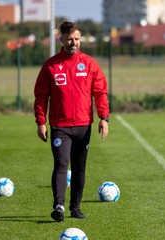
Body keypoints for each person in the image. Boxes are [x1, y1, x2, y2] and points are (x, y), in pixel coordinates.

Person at [34, 21, 109, 222]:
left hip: (83, 126)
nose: (73, 42)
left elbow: (100, 92)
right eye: (69, 38)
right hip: (60, 126)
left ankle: (75, 208)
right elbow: (41, 95)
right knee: (61, 164)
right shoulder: (51, 65)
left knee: (79, 168)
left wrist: (104, 117)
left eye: (76, 38)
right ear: (61, 39)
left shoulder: (90, 63)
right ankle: (58, 206)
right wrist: (41, 122)